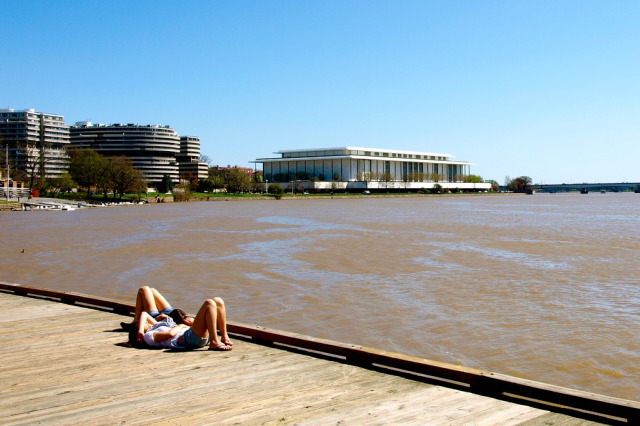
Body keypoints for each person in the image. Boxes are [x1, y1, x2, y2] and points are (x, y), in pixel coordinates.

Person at [134, 297, 233, 351]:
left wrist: (140, 330)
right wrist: (181, 325)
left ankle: (224, 336)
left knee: (218, 301)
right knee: (209, 303)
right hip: (189, 339)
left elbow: (144, 314)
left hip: (193, 335)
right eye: (140, 324)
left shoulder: (155, 327)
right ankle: (214, 341)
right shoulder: (148, 336)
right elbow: (170, 334)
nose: (145, 322)